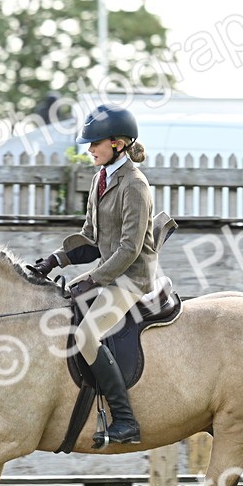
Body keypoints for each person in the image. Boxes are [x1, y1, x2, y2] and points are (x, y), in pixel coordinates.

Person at [32, 105, 161, 447]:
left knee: (87, 336)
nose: (89, 149)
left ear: (118, 143)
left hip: (132, 278)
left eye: (95, 143)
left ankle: (125, 419)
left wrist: (94, 279)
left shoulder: (134, 185)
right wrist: (55, 260)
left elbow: (130, 248)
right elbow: (91, 238)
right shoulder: (100, 178)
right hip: (109, 271)